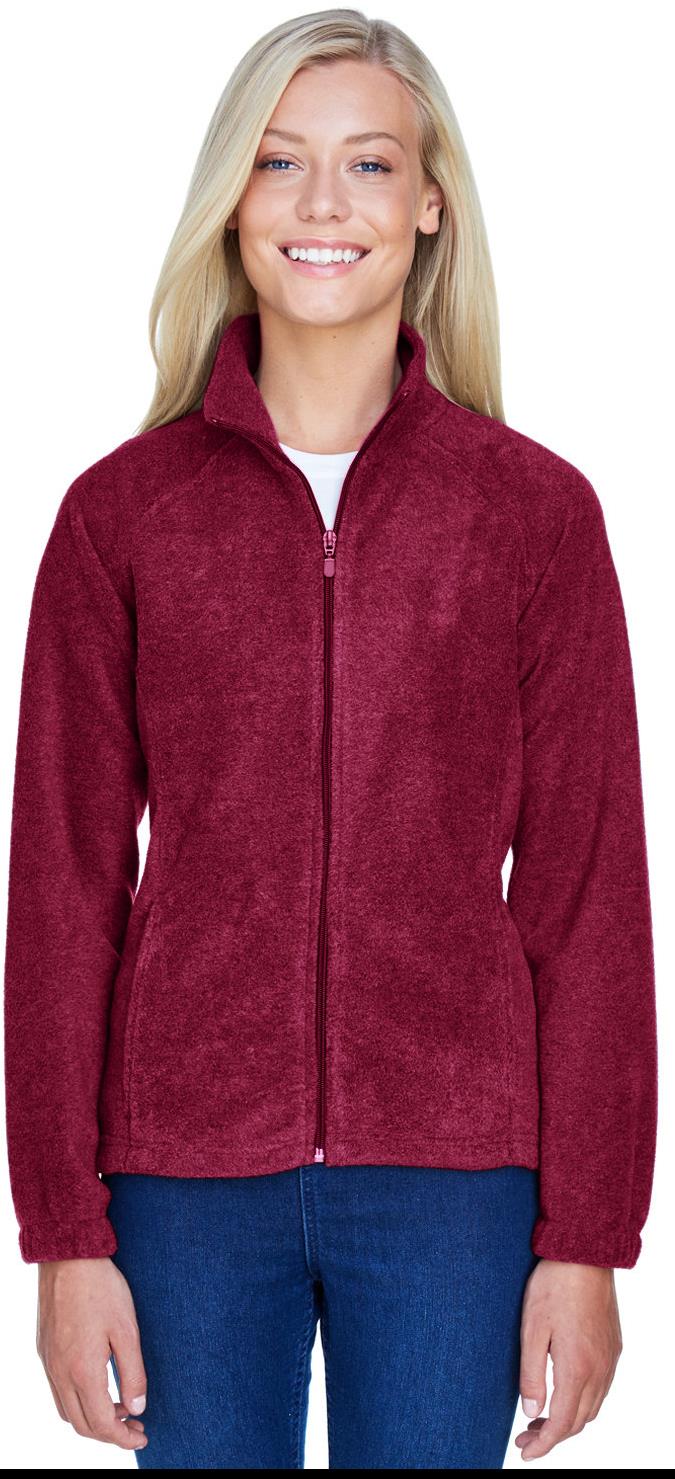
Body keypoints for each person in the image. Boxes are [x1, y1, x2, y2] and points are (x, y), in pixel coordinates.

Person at [3, 9, 658, 1471]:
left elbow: (587, 895)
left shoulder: (535, 518)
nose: (321, 203)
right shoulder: (121, 518)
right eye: (277, 160)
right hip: (179, 1180)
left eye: (368, 164)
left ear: (428, 205)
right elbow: (62, 890)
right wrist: (61, 1232)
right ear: (231, 200)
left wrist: (588, 1237)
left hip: (453, 1184)